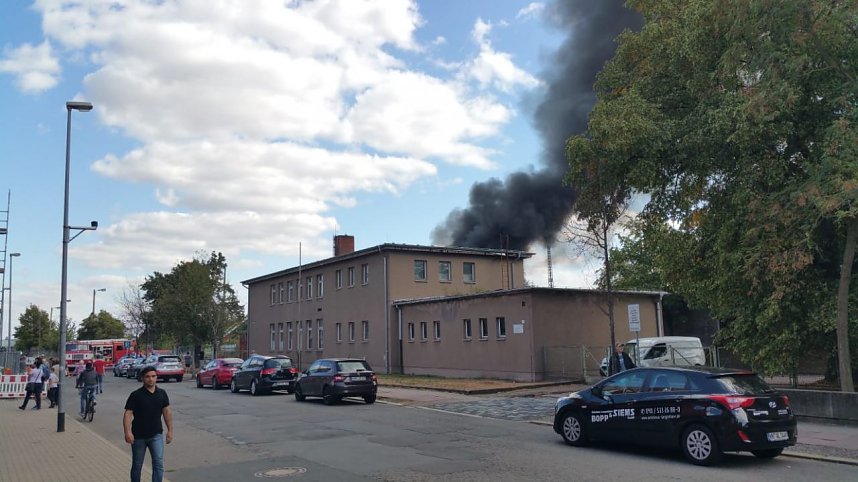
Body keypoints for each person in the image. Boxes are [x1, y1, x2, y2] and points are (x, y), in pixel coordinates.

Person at [124, 366, 173, 482]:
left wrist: (170, 430)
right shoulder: (136, 395)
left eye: (153, 376)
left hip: (156, 435)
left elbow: (167, 412)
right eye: (147, 377)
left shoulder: (162, 393)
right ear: (142, 378)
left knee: (158, 463)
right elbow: (128, 414)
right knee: (137, 465)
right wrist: (127, 432)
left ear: (156, 377)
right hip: (138, 436)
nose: (151, 379)